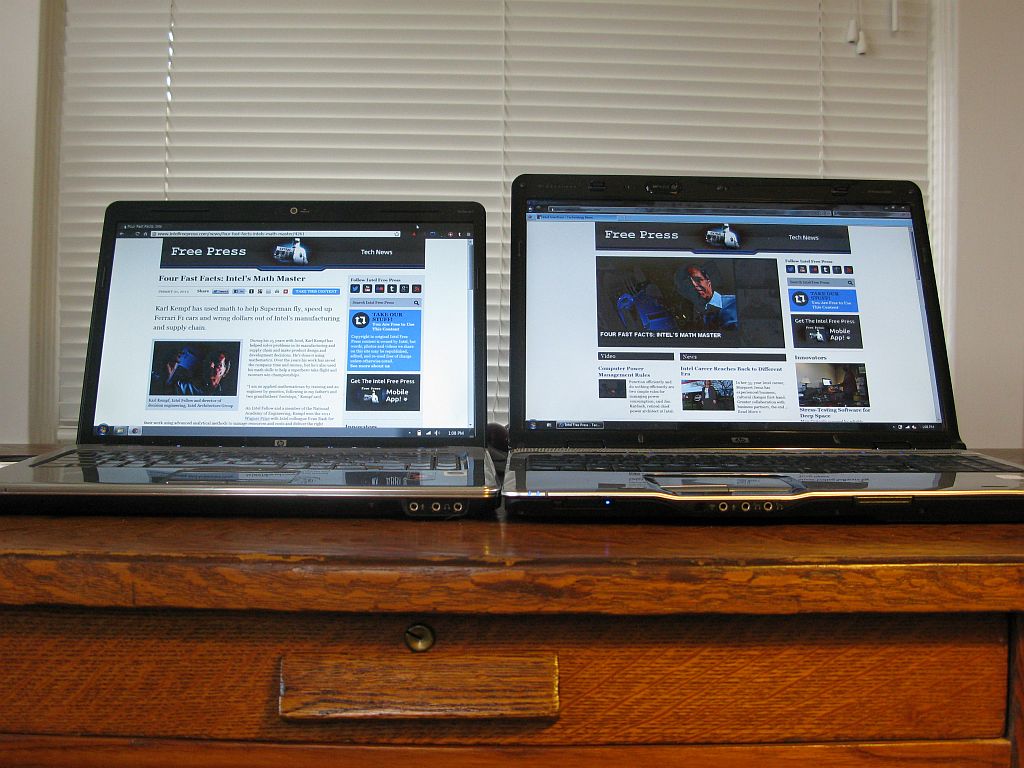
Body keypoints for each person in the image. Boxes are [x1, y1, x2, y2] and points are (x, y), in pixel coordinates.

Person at [679, 264, 738, 331]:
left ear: (708, 282)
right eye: (689, 283)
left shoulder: (734, 303)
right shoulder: (694, 314)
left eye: (698, 279)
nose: (695, 285)